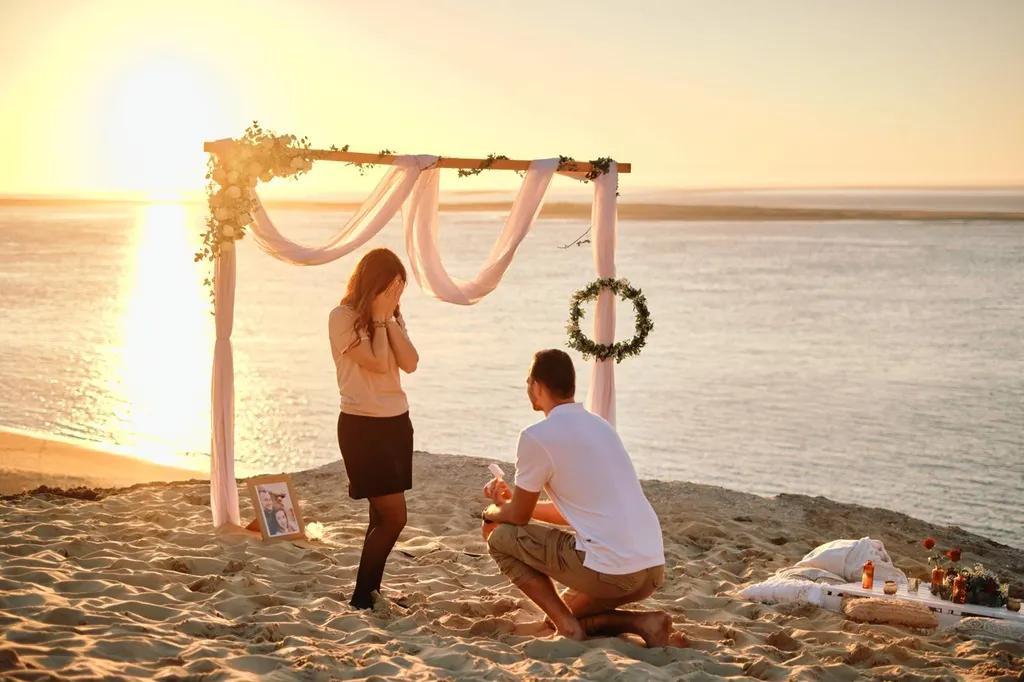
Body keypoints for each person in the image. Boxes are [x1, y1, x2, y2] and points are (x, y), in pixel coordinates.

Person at [481, 349, 676, 646]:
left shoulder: (537, 436)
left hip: (613, 570)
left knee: (499, 537)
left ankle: (568, 630)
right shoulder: (600, 426)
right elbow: (573, 511)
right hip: (650, 566)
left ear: (537, 386)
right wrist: (514, 505)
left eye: (527, 382)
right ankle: (643, 622)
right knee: (559, 613)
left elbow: (517, 518)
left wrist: (493, 512)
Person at [329, 247, 419, 610]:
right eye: (392, 287)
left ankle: (369, 593)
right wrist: (380, 321)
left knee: (379, 516)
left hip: (397, 424)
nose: (397, 294)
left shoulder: (391, 318)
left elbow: (409, 364)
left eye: (401, 287)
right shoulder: (342, 317)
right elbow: (378, 364)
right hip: (362, 426)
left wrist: (389, 320)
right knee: (395, 517)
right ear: (374, 283)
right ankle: (362, 596)